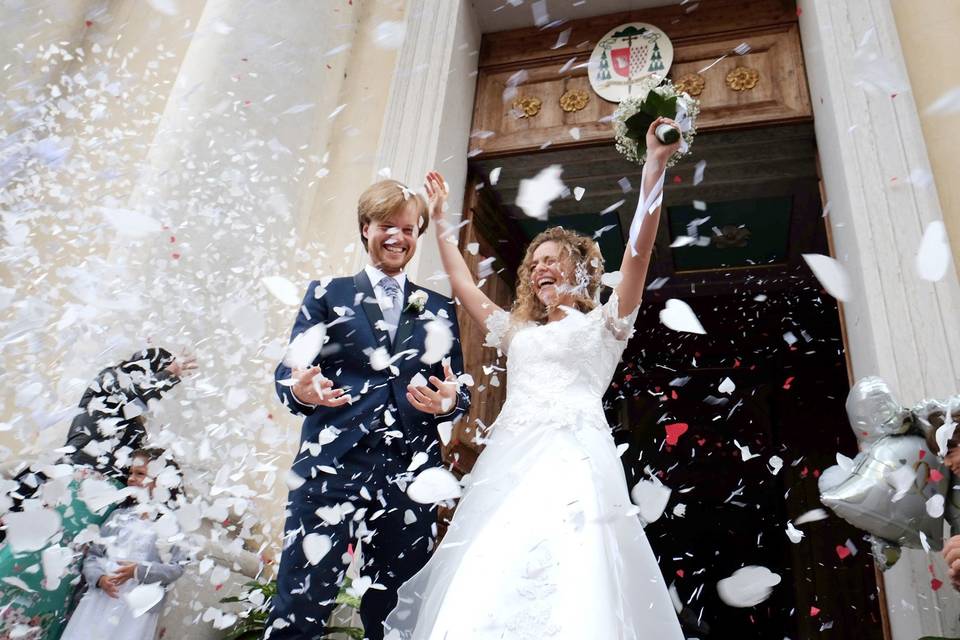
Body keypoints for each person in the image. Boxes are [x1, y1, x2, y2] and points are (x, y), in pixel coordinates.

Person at [383, 118, 685, 639]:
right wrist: (438, 220)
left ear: (580, 270)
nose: (540, 268)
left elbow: (637, 252)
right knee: (491, 567)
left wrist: (653, 167)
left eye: (553, 260)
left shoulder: (606, 325)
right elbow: (460, 280)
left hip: (574, 459)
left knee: (573, 567)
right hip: (510, 463)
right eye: (534, 263)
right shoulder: (514, 330)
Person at [264, 178, 471, 639]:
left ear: (417, 236)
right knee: (301, 606)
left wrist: (449, 402)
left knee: (398, 616)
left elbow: (460, 388)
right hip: (330, 472)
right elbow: (287, 377)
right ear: (365, 228)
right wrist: (303, 391)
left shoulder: (438, 307)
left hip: (410, 478)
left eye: (408, 229)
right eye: (385, 226)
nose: (397, 237)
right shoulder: (326, 293)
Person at [0, 347, 195, 640]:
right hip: (70, 503)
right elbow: (132, 395)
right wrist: (169, 374)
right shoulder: (105, 386)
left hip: (91, 518)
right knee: (26, 563)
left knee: (62, 586)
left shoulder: (133, 430)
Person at [60, 447, 188, 640]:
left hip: (135, 608)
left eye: (140, 474)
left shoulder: (171, 524)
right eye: (130, 473)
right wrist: (99, 578)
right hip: (101, 598)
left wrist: (138, 571)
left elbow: (177, 567)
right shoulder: (119, 516)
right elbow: (95, 554)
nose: (131, 479)